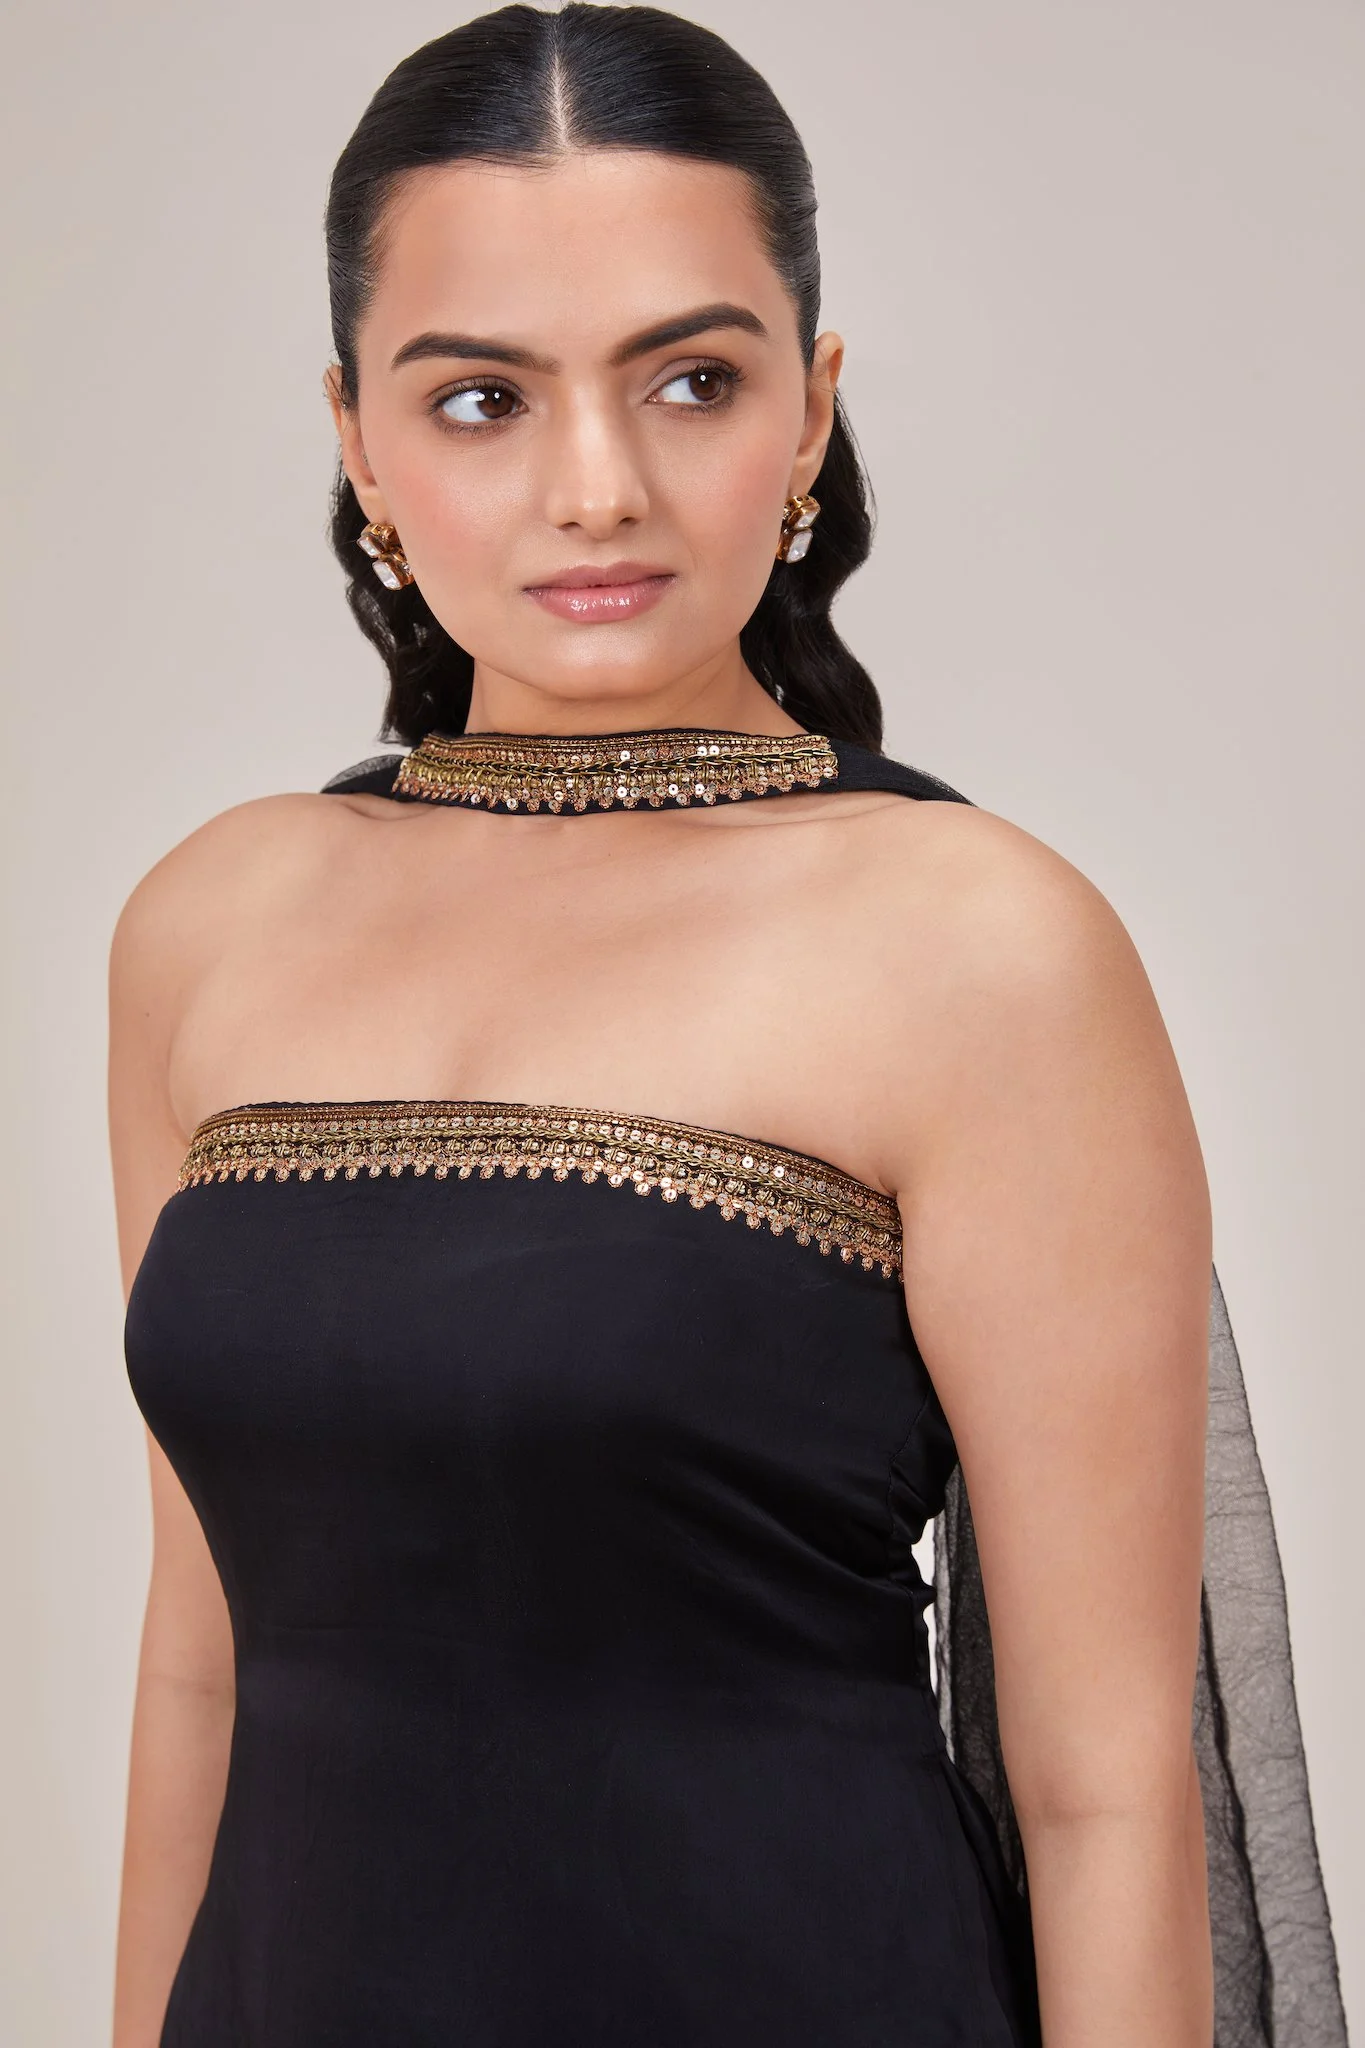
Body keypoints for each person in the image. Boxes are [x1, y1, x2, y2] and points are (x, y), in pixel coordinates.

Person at [108, 7, 1346, 2046]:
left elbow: (1106, 1792)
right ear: (357, 438)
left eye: (690, 380)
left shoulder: (979, 949)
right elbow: (201, 1664)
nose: (596, 488)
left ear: (813, 404)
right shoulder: (213, 924)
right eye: (483, 398)